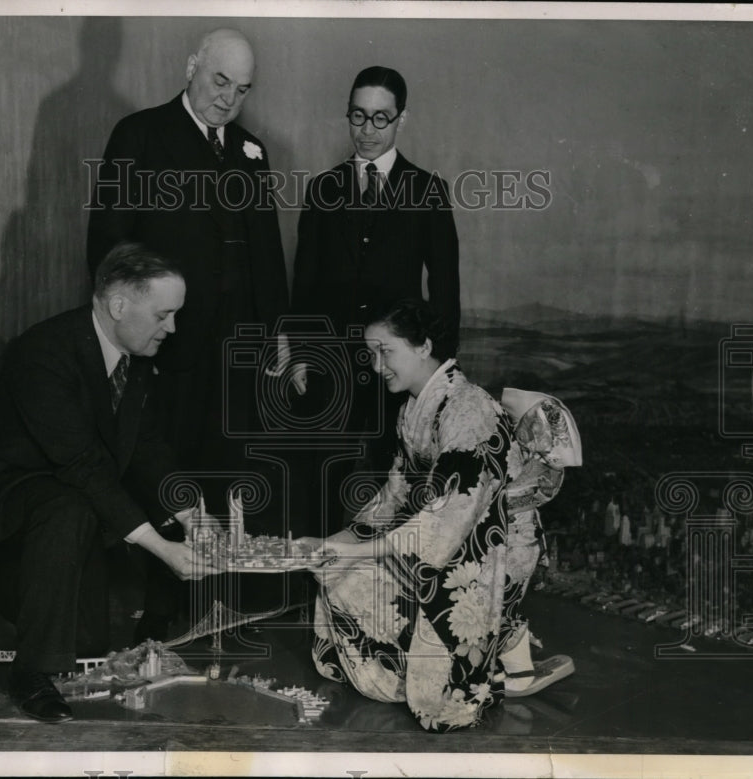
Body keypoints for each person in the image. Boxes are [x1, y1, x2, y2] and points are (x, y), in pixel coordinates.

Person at [0, 243, 221, 723]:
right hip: (4, 494)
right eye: (164, 314)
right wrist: (162, 547)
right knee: (68, 509)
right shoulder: (43, 351)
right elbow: (81, 464)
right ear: (119, 306)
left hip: (68, 493)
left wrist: (193, 515)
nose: (172, 328)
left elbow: (148, 446)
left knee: (87, 645)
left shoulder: (135, 354)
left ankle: (5, 587)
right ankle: (29, 674)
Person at [305, 299, 578, 732]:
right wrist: (344, 541)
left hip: (494, 541)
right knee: (345, 573)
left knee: (393, 582)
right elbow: (397, 494)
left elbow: (455, 510)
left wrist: (368, 550)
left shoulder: (469, 410)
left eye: (385, 351)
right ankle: (501, 653)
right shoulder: (412, 410)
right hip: (447, 530)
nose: (377, 366)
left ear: (422, 346)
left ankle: (489, 664)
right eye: (370, 354)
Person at [85, 28, 289, 517]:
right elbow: (108, 249)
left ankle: (219, 588)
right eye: (220, 82)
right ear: (192, 66)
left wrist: (279, 333)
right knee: (167, 479)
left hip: (240, 351)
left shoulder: (251, 151)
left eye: (242, 90)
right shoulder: (139, 135)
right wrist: (131, 336)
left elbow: (267, 252)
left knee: (234, 479)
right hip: (168, 345)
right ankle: (165, 589)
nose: (228, 99)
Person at [290, 66, 459, 533]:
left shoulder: (427, 191)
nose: (367, 131)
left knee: (402, 480)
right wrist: (303, 355)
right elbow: (304, 284)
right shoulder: (324, 189)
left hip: (401, 367)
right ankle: (318, 589)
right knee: (322, 477)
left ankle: (391, 591)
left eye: (380, 119)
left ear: (401, 119)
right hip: (331, 364)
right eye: (358, 116)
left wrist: (440, 376)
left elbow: (446, 292)